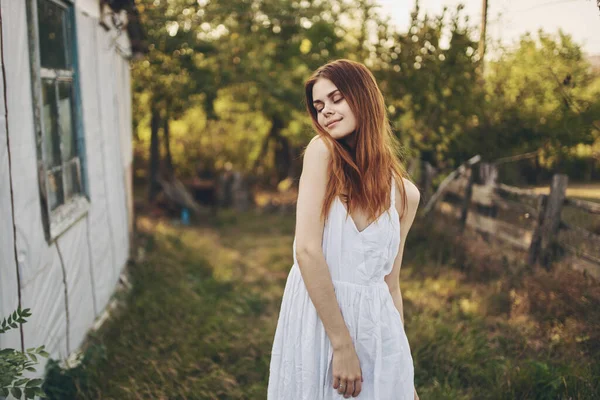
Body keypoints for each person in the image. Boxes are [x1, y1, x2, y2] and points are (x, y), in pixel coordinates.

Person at [267, 59, 421, 400]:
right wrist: (341, 344)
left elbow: (390, 285)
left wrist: (400, 368)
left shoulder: (406, 195)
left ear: (364, 97)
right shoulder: (322, 154)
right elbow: (306, 250)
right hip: (321, 321)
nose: (325, 112)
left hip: (375, 328)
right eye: (319, 106)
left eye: (336, 98)